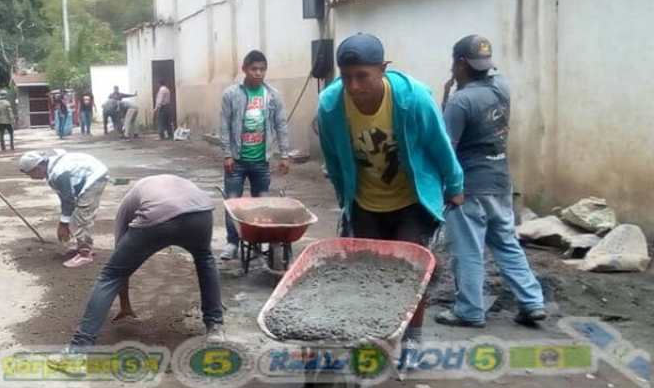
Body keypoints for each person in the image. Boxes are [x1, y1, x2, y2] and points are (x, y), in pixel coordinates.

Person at [317, 33, 464, 342]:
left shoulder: (412, 99)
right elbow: (333, 158)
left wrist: (455, 184)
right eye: (346, 78)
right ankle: (378, 330)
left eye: (362, 76)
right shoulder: (331, 107)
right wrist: (346, 199)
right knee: (370, 270)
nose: (354, 87)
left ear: (382, 69)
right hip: (366, 201)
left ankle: (413, 335)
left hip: (413, 200)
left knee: (409, 270)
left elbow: (440, 145)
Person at [50, 175, 225, 372]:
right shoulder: (174, 182)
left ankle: (77, 352)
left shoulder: (131, 198)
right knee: (205, 260)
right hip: (201, 214)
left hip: (158, 217)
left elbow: (119, 258)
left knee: (110, 275)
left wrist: (124, 301)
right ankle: (215, 328)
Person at [437, 35, 547, 328]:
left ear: (460, 63)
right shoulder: (502, 87)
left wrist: (446, 100)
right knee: (506, 242)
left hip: (469, 187)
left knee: (468, 249)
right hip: (500, 181)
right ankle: (532, 302)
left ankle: (470, 310)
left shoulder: (461, 102)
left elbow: (446, 147)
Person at [219, 49, 291, 260]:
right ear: (244, 69)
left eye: (262, 69)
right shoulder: (231, 94)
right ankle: (232, 243)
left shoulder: (272, 95)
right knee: (233, 202)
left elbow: (281, 125)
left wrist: (284, 155)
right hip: (237, 160)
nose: (258, 73)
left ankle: (262, 240)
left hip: (261, 160)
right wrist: (227, 154)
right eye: (254, 69)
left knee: (263, 202)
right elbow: (224, 126)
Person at [19, 149, 108, 268]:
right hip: (91, 174)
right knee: (76, 215)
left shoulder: (58, 173)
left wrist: (63, 224)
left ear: (37, 167)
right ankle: (83, 246)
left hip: (95, 177)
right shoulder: (52, 168)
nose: (31, 178)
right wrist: (65, 220)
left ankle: (85, 254)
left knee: (81, 217)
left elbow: (68, 200)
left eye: (30, 174)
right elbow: (65, 197)